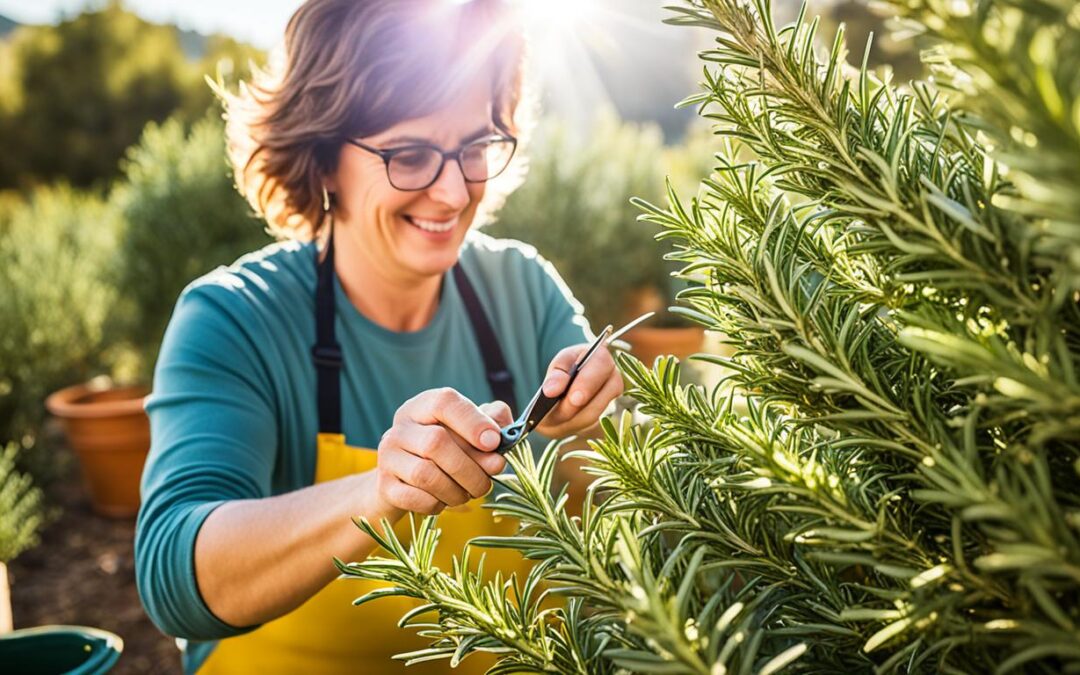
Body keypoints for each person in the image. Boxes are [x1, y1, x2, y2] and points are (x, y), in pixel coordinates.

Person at [133, 1, 623, 673]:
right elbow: (172, 575)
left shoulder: (524, 291)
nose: (453, 192)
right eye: (411, 154)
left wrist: (598, 428)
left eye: (475, 147)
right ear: (324, 158)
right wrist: (379, 493)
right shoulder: (233, 319)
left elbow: (622, 515)